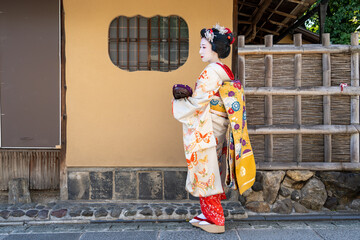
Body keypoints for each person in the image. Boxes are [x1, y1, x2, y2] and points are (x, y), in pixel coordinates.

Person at [172, 24, 256, 234]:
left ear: (215, 48)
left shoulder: (211, 72)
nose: (200, 52)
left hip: (207, 129)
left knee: (206, 172)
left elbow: (200, 102)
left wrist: (179, 102)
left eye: (203, 47)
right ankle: (207, 214)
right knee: (210, 169)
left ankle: (216, 219)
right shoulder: (224, 70)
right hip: (216, 128)